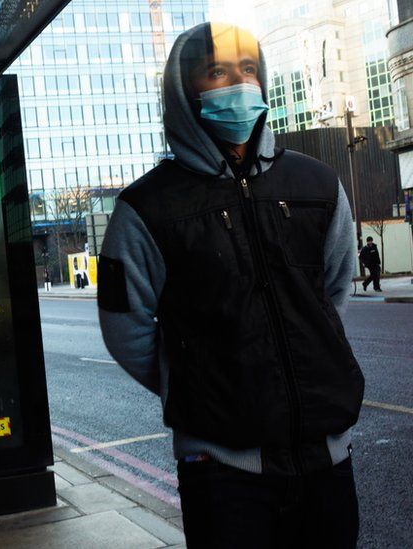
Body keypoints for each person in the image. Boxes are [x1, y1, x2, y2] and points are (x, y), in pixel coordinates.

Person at [98, 23, 364, 548]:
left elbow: (333, 293)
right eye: (217, 70)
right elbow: (126, 327)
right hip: (223, 475)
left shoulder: (317, 184)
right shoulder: (145, 208)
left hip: (327, 459)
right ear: (185, 89)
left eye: (248, 69)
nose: (238, 83)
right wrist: (200, 380)